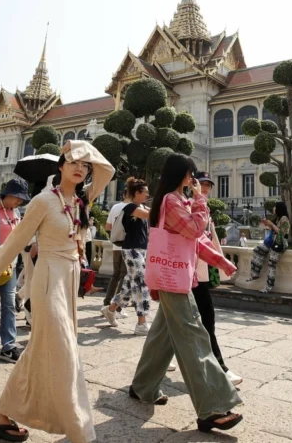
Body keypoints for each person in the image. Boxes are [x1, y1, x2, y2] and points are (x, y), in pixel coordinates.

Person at [0, 140, 114, 442]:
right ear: (60, 167)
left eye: (84, 165)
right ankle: (79, 430)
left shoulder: (82, 200)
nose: (80, 168)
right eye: (72, 162)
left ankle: (0, 415)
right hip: (48, 278)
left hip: (70, 278)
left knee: (40, 351)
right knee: (63, 350)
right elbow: (13, 243)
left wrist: (82, 147)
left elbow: (107, 170)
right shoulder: (43, 200)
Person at [129, 154, 243, 433]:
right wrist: (201, 200)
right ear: (183, 174)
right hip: (174, 279)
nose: (194, 180)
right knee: (194, 336)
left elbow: (196, 241)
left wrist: (221, 262)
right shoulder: (171, 200)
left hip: (177, 276)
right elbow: (195, 230)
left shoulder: (178, 201)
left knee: (163, 336)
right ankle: (212, 408)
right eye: (191, 174)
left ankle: (142, 386)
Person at [190, 171, 243, 385]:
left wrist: (217, 265)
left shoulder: (204, 209)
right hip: (190, 273)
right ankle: (220, 368)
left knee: (172, 324)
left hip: (200, 272)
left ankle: (156, 364)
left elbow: (211, 243)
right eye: (201, 184)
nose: (205, 188)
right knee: (206, 320)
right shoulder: (189, 206)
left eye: (208, 185)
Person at [102, 177, 152, 335]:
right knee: (141, 283)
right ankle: (141, 322)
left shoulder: (142, 207)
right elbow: (152, 215)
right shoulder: (130, 207)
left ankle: (110, 309)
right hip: (131, 249)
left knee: (130, 285)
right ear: (137, 193)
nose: (147, 196)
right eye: (145, 193)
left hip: (142, 250)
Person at [0, 178, 31, 363]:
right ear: (9, 194)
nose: (19, 202)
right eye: (18, 198)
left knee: (8, 306)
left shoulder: (16, 213)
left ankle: (9, 346)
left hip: (10, 266)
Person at [247, 201, 290, 293]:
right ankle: (255, 273)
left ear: (279, 208)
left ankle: (268, 287)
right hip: (272, 242)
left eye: (275, 207)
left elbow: (283, 233)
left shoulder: (284, 218)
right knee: (257, 250)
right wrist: (267, 224)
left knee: (271, 264)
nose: (273, 209)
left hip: (279, 243)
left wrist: (272, 224)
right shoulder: (278, 218)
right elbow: (274, 230)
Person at [103, 191, 130, 317]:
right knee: (124, 276)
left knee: (115, 275)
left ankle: (107, 303)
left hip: (116, 245)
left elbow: (108, 226)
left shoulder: (115, 207)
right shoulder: (135, 208)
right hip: (128, 245)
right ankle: (116, 308)